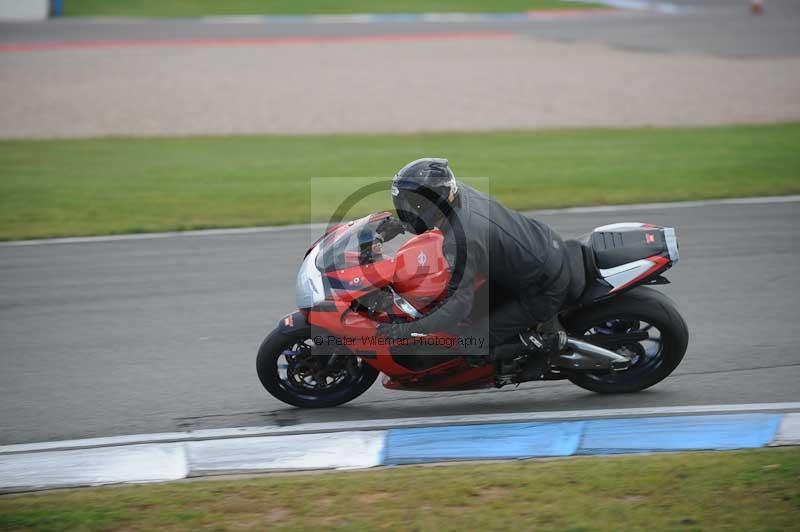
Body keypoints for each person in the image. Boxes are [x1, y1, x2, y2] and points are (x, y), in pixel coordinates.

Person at [375, 158, 581, 380]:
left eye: (411, 204)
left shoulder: (460, 239)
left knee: (467, 342)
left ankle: (543, 342)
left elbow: (457, 306)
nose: (406, 208)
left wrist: (405, 331)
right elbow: (430, 213)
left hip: (541, 287)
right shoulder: (457, 195)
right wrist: (401, 224)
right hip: (537, 251)